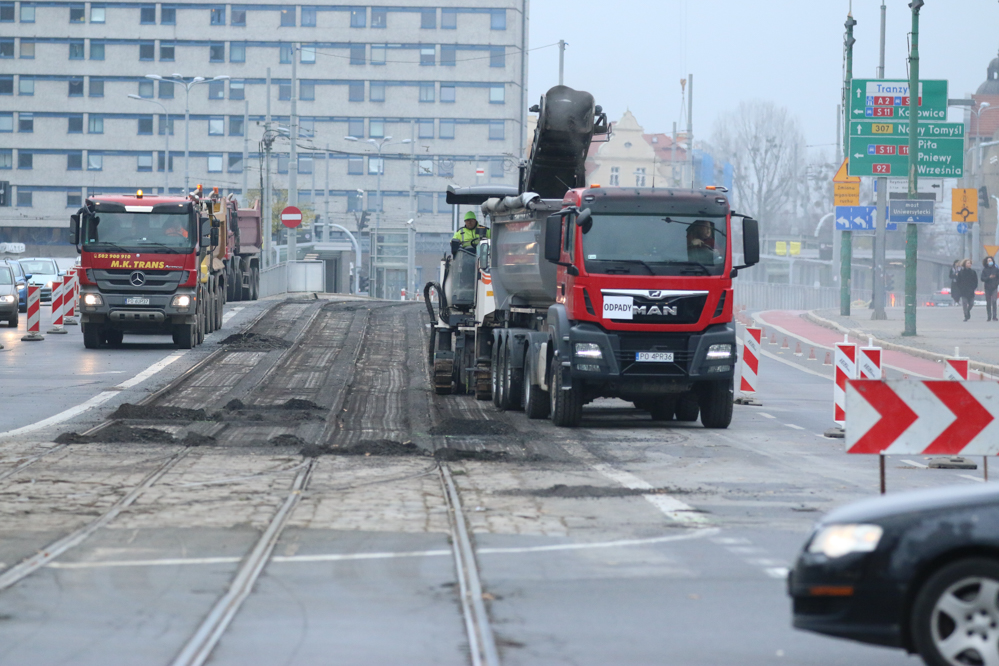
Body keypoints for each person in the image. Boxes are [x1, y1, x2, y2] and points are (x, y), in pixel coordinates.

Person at [983, 256, 999, 321]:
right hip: (987, 287)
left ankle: (994, 316)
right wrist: (989, 277)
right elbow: (982, 278)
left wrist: (996, 283)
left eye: (991, 260)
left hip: (994, 287)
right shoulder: (984, 270)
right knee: (988, 302)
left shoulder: (996, 269)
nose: (990, 262)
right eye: (989, 261)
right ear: (986, 262)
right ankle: (989, 316)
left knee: (994, 301)